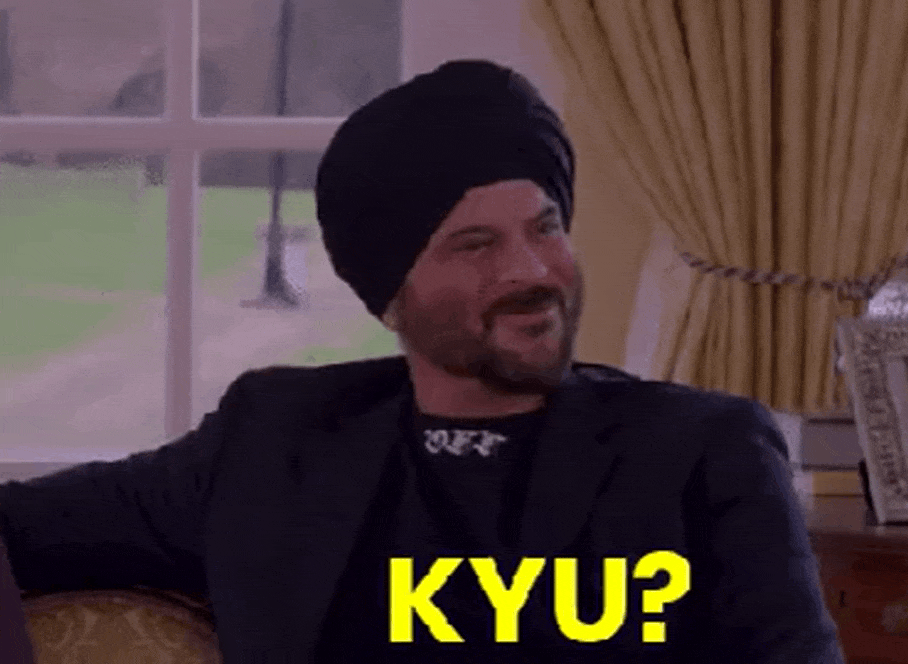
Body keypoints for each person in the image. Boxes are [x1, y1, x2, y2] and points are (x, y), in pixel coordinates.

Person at [0, 60, 843, 663]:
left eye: (545, 228)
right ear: (391, 293)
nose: (530, 271)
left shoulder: (702, 454)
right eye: (476, 244)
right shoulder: (271, 444)